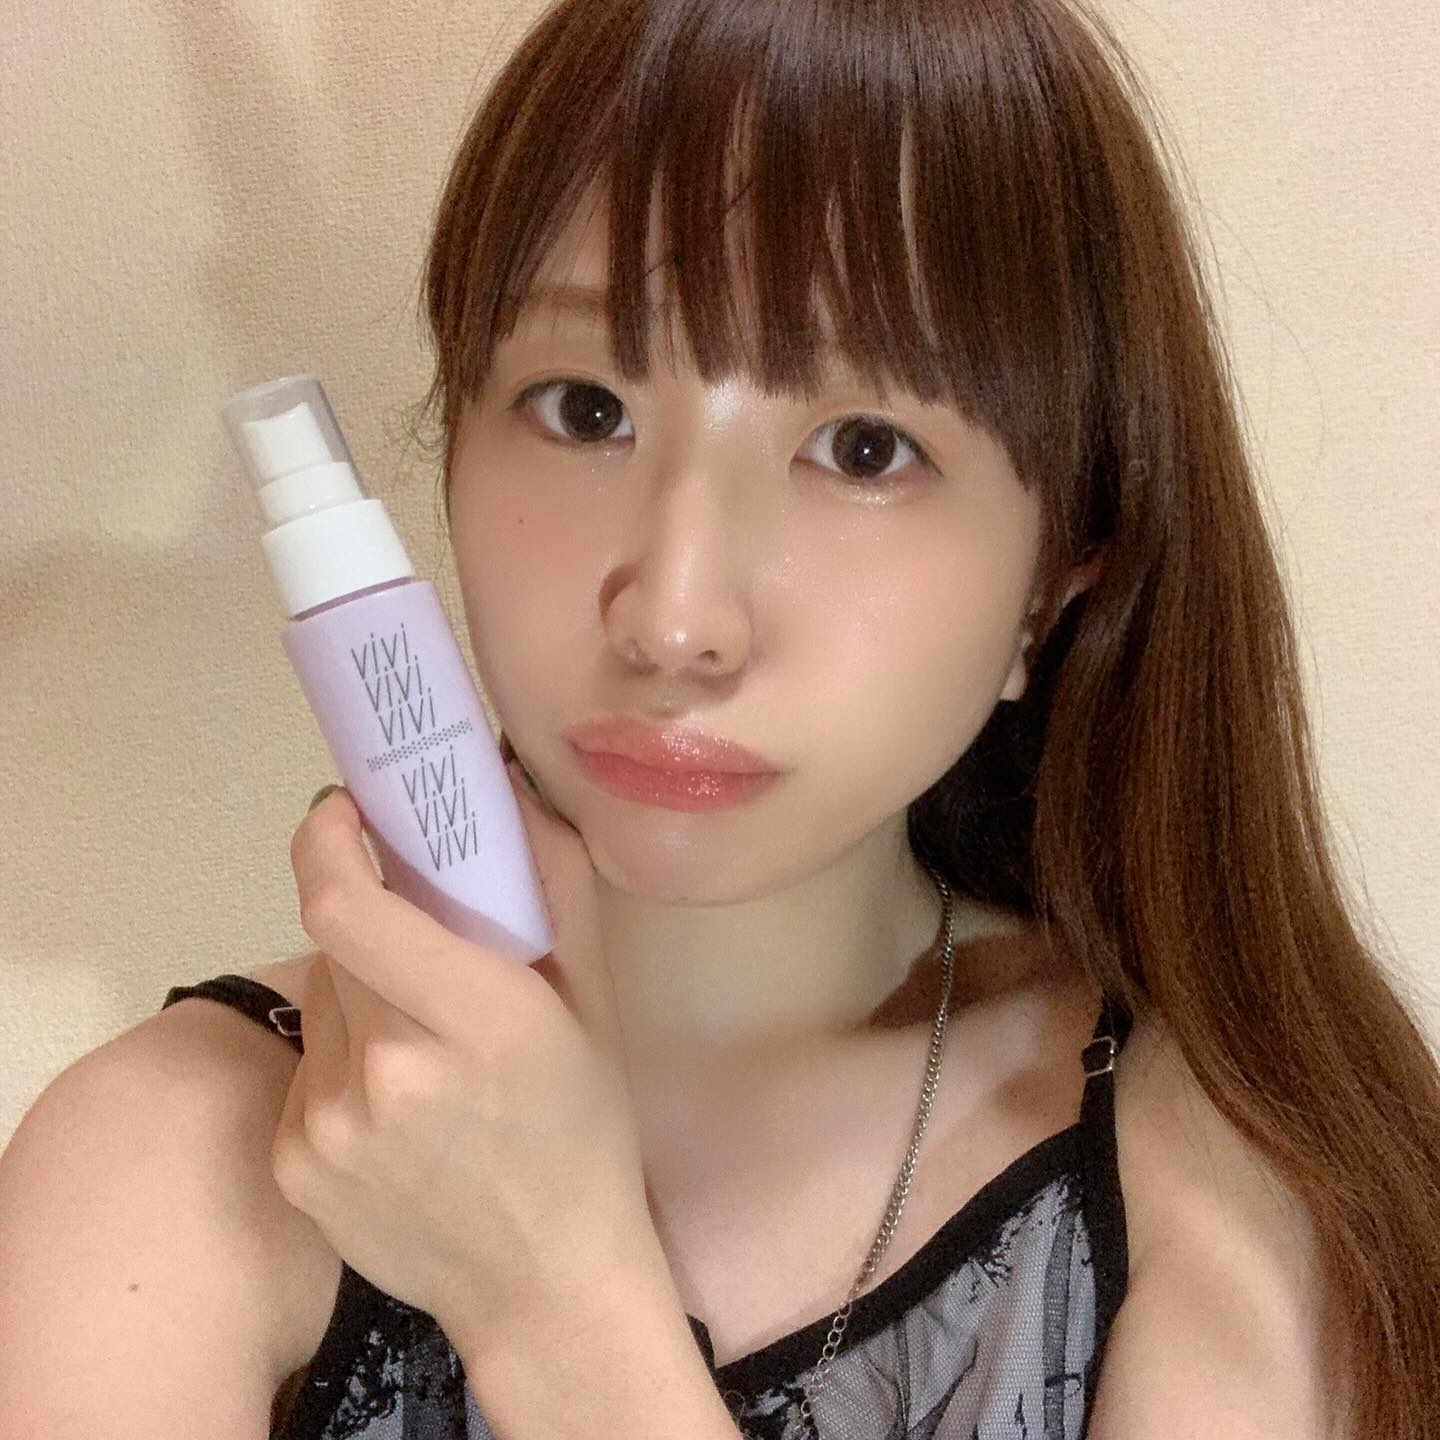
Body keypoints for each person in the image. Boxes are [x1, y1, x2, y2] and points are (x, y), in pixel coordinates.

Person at [3, 0, 1437, 1436]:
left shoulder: (1230, 1176)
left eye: (864, 447)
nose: (673, 618)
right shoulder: (173, 1161)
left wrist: (554, 1302)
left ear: (1054, 580)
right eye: (584, 409)